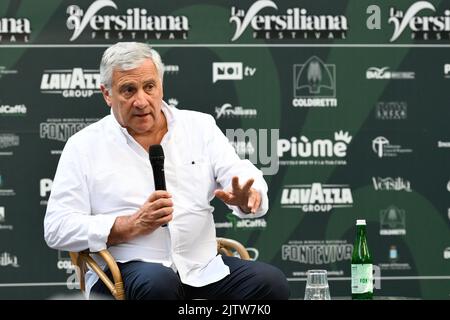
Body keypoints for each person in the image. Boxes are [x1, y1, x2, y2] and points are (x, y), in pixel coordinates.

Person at [44, 42, 289, 300]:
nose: (141, 101)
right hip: (127, 270)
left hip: (201, 268)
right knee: (159, 284)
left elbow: (238, 173)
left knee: (271, 283)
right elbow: (57, 227)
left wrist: (249, 196)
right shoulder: (84, 146)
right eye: (128, 90)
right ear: (107, 94)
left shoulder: (199, 127)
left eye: (149, 87)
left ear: (161, 85)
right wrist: (126, 225)